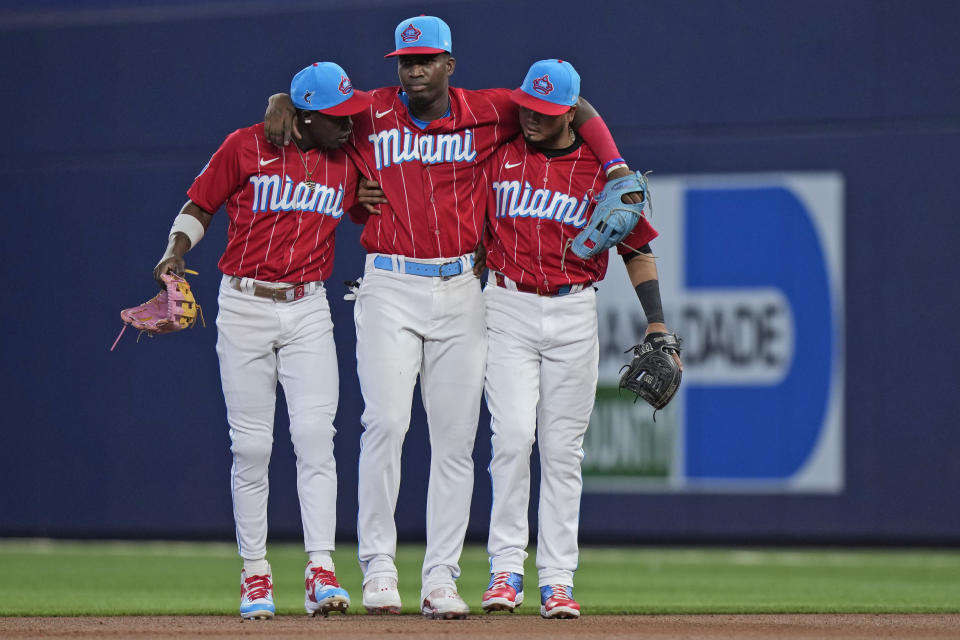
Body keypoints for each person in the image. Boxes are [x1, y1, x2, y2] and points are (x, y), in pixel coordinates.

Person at [264, 16, 641, 620]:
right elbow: (316, 110)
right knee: (385, 424)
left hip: (464, 287)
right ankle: (380, 570)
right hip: (388, 283)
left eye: (426, 59)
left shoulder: (491, 111)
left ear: (449, 64)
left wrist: (616, 165)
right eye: (405, 60)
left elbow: (578, 102)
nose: (413, 69)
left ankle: (441, 577)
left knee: (456, 440)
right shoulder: (370, 113)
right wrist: (283, 106)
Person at [153, 61, 373, 620]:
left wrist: (287, 101)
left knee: (314, 437)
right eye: (336, 117)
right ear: (301, 116)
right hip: (245, 304)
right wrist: (176, 251)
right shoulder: (246, 145)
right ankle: (255, 575)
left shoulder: (348, 158)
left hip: (308, 308)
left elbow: (378, 144)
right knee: (251, 447)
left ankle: (320, 569)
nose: (348, 125)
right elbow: (200, 205)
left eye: (350, 115)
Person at [476, 59, 683, 619]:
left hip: (573, 312)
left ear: (571, 112)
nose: (533, 118)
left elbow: (636, 250)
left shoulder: (601, 174)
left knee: (564, 453)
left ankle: (558, 581)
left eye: (546, 110)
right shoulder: (499, 153)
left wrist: (657, 323)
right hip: (507, 302)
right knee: (513, 438)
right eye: (528, 107)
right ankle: (504, 571)